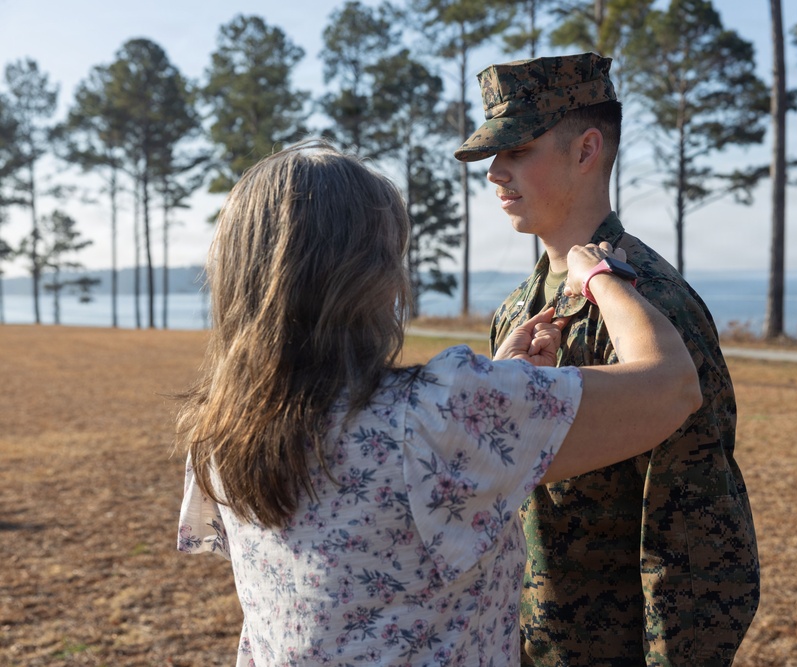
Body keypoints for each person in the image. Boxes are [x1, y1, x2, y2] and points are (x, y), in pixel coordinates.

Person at [175, 138, 703, 667]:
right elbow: (673, 386)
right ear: (369, 274)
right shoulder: (437, 416)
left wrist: (502, 384)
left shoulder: (219, 429)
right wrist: (600, 278)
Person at [454, 53, 760, 666]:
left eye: (518, 150)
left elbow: (696, 539)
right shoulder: (516, 311)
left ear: (586, 150)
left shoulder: (653, 306)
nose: (495, 173)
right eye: (494, 155)